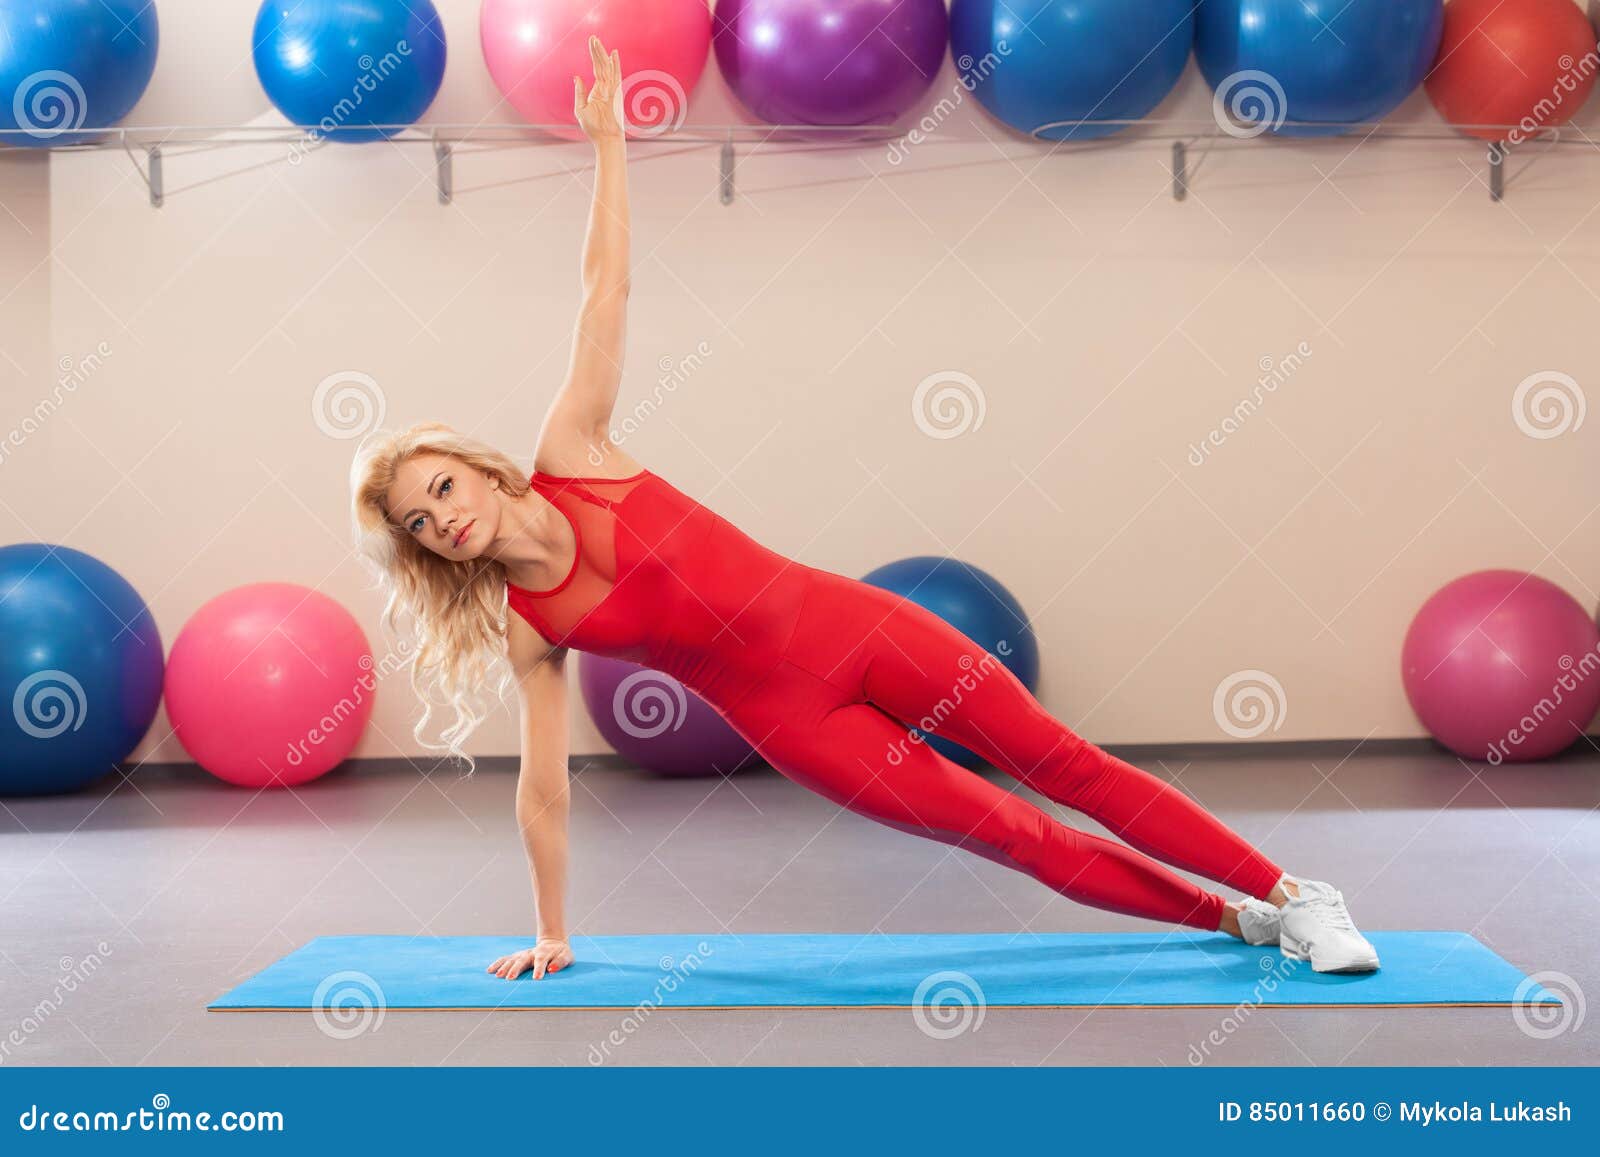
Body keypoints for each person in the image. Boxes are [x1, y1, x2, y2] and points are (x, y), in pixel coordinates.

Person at [349, 36, 1380, 984]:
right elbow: (542, 792)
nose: (442, 517)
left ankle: (1297, 893)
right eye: (421, 523)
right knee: (1009, 834)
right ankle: (1235, 920)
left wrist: (610, 146)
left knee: (1063, 764)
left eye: (440, 487)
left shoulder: (574, 450)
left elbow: (603, 292)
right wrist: (551, 926)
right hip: (797, 723)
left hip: (857, 627)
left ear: (477, 469)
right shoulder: (537, 630)